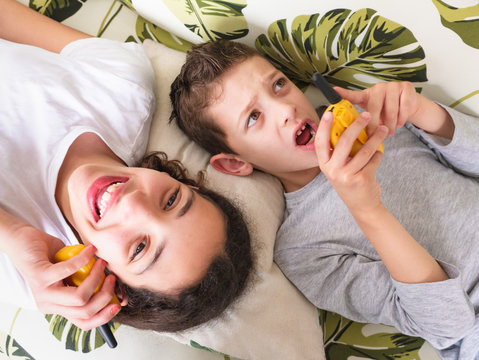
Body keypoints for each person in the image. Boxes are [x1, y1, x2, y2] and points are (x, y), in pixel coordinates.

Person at [169, 39, 479, 359]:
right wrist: (367, 209)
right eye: (253, 117)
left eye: (278, 85)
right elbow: (449, 324)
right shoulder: (303, 251)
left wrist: (420, 111)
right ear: (235, 163)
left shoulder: (369, 120)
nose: (286, 108)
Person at [0, 0, 252, 334]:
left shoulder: (25, 269)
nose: (132, 203)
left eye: (139, 248)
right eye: (172, 201)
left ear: (110, 285)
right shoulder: (123, 87)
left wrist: (11, 232)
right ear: (188, 183)